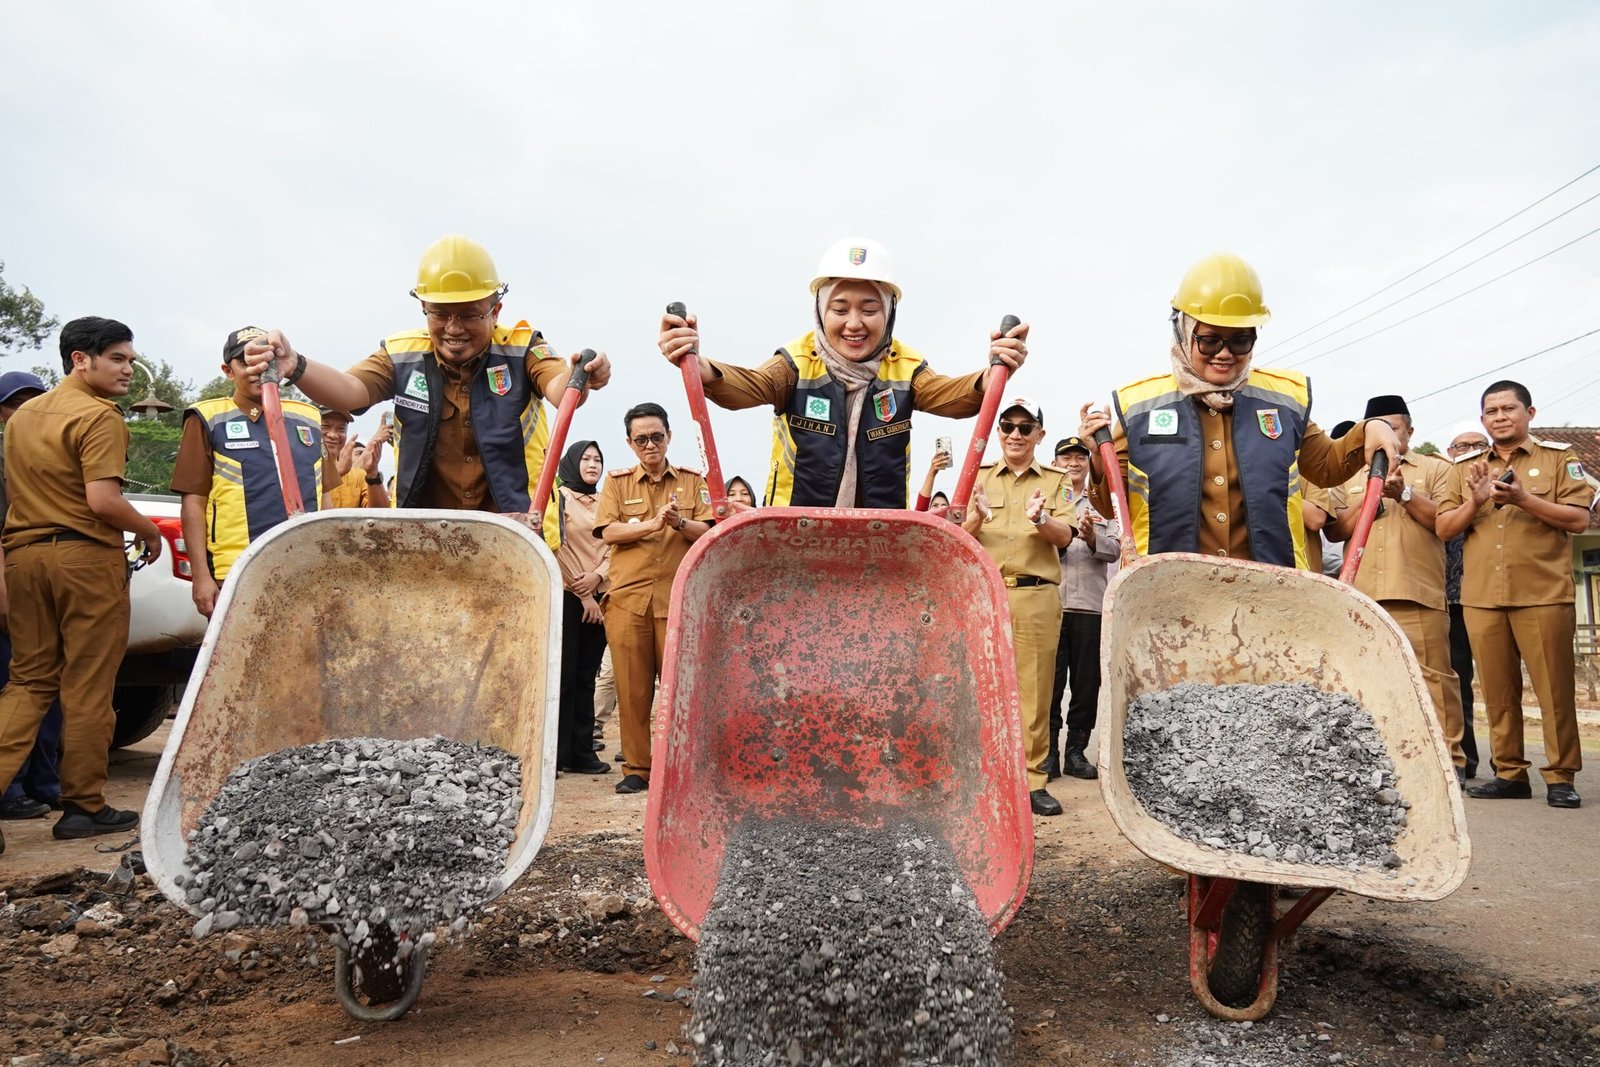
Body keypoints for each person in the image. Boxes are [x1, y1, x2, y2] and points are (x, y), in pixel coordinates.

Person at [240, 235, 610, 518]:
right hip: (425, 534)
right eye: (440, 314)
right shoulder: (401, 355)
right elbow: (350, 391)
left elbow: (560, 388)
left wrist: (583, 375)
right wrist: (295, 364)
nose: (453, 328)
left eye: (469, 314)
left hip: (513, 529)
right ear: (423, 309)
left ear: (495, 310)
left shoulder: (523, 347)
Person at [659, 237, 1028, 507]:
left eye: (869, 309)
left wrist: (993, 372)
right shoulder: (796, 362)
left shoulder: (905, 367)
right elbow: (750, 385)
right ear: (821, 312)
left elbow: (953, 396)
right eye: (840, 309)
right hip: (796, 533)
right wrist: (700, 365)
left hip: (877, 536)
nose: (854, 323)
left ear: (889, 313)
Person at [1079, 253, 1399, 565]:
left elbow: (1327, 466)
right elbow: (1110, 506)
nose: (1224, 353)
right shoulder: (1139, 407)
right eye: (1209, 340)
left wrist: (1370, 428)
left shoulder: (1284, 401)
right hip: (1166, 590)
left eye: (1240, 341)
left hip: (1269, 589)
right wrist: (1097, 458)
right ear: (1183, 331)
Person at [0, 317, 161, 853]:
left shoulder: (21, 419)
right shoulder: (99, 416)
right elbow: (103, 501)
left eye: (130, 360)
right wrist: (148, 530)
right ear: (80, 359)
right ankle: (84, 807)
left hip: (24, 557)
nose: (128, 369)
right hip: (84, 560)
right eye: (117, 358)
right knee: (88, 685)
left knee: (28, 682)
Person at [1436, 381, 1592, 809]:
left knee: (1554, 691)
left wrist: (1523, 498)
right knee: (1497, 692)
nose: (1500, 417)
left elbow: (1578, 520)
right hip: (1482, 596)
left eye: (1509, 409)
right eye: (1492, 411)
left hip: (1543, 593)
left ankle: (1560, 776)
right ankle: (1509, 773)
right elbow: (1444, 528)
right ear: (1483, 419)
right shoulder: (1465, 468)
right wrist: (1474, 502)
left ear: (1530, 413)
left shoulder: (1559, 458)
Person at [1326, 396, 1465, 778]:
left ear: (1409, 431)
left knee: (1434, 680)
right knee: (1365, 679)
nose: (1386, 436)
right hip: (1362, 596)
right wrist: (1372, 495)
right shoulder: (1347, 476)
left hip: (1415, 591)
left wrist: (1404, 494)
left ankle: (1449, 761)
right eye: (1379, 429)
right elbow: (1334, 530)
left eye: (1394, 428)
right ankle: (1379, 762)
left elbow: (1444, 523)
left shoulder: (1437, 469)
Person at [961, 399, 1076, 817]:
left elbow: (1065, 536)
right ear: (998, 432)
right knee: (978, 688)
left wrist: (1040, 519)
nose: (1015, 434)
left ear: (1039, 435)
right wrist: (976, 518)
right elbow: (957, 535)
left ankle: (1032, 782)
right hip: (985, 597)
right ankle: (984, 779)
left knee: (1035, 692)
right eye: (1007, 426)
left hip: (1035, 597)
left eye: (1025, 428)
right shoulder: (976, 477)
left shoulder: (1057, 480)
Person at [170, 327, 333, 618]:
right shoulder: (208, 419)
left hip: (308, 567)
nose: (260, 369)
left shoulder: (309, 418)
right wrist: (201, 576)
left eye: (268, 361)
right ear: (228, 371)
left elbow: (328, 498)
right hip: (238, 571)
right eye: (247, 362)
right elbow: (193, 503)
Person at [594, 404, 714, 794]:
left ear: (669, 437)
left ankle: (681, 767)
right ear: (630, 443)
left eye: (656, 437)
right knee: (632, 691)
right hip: (629, 601)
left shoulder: (693, 482)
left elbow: (709, 530)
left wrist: (679, 522)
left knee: (680, 690)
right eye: (641, 439)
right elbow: (608, 532)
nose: (650, 445)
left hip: (678, 602)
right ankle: (637, 769)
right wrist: (652, 524)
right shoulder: (617, 483)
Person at [0, 371, 61, 820]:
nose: (24, 410)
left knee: (50, 689)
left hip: (45, 585)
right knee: (16, 687)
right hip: (12, 586)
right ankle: (11, 789)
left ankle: (46, 783)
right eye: (14, 403)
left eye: (33, 401)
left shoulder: (49, 455)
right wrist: (5, 597)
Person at [1045, 436, 1119, 781]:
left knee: (1087, 685)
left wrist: (1092, 538)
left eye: (1080, 457)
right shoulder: (1044, 500)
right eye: (1066, 457)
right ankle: (1048, 752)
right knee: (1049, 684)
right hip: (1052, 605)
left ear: (1089, 464)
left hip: (1091, 606)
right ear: (1055, 463)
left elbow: (1117, 548)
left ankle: (1076, 752)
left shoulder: (1103, 503)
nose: (1073, 463)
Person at [554, 440, 611, 775]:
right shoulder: (558, 497)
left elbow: (615, 546)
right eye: (586, 458)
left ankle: (581, 752)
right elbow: (556, 545)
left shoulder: (606, 501)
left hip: (601, 595)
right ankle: (557, 754)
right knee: (563, 676)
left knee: (587, 676)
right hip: (567, 594)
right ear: (572, 462)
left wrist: (598, 578)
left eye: (598, 460)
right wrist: (584, 593)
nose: (592, 465)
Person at [1444, 424, 1490, 777]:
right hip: (1450, 599)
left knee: (1497, 683)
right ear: (1451, 453)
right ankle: (1467, 759)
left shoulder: (1500, 481)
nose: (1470, 450)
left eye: (1478, 445)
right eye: (1462, 446)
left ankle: (1509, 767)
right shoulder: (1444, 483)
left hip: (1488, 595)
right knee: (1457, 681)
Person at [322, 409, 392, 509]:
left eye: (341, 429)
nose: (333, 435)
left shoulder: (357, 476)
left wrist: (373, 474)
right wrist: (336, 475)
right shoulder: (302, 467)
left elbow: (380, 513)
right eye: (324, 427)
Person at [915, 447, 953, 511]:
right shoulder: (923, 517)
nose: (940, 508)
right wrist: (931, 473)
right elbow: (920, 509)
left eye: (944, 505)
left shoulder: (954, 517)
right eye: (935, 505)